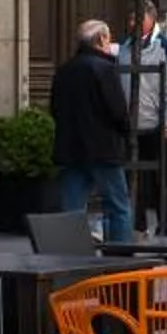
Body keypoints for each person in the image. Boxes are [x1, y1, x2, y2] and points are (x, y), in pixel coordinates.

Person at [50, 17, 134, 243]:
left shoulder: (64, 70)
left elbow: (55, 109)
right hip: (103, 149)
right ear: (101, 39)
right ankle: (121, 256)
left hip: (71, 149)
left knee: (71, 211)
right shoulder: (105, 68)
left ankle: (70, 254)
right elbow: (118, 110)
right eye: (108, 38)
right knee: (118, 207)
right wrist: (126, 132)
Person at [119, 0, 167, 236]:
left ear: (151, 19)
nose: (133, 23)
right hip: (132, 123)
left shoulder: (166, 46)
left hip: (157, 123)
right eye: (130, 18)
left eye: (138, 18)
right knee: (133, 176)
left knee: (159, 177)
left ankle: (164, 225)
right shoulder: (125, 47)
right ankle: (138, 225)